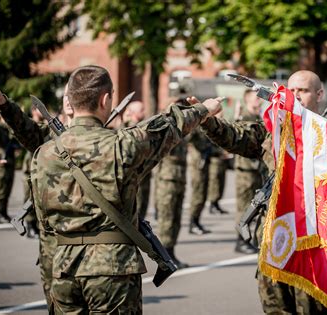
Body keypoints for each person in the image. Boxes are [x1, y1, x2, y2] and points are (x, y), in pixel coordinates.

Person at [29, 65, 222, 313]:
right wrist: (205, 109)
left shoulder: (43, 154)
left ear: (70, 102)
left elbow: (43, 222)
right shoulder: (121, 145)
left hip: (63, 269)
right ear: (106, 99)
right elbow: (168, 125)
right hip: (112, 270)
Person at [196, 70, 327, 314]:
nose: (296, 96)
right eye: (292, 91)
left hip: (315, 243)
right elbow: (236, 136)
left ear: (319, 94)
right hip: (274, 238)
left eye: (304, 91)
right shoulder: (274, 131)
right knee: (275, 308)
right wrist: (208, 121)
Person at [0, 80, 71, 310]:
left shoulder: (106, 139)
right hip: (54, 247)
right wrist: (4, 104)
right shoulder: (49, 137)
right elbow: (24, 127)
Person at [154, 98, 191, 269]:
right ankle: (164, 258)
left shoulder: (182, 129)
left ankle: (171, 253)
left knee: (176, 219)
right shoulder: (167, 126)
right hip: (167, 180)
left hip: (179, 179)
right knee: (166, 220)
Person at [234, 89, 267, 254]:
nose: (259, 100)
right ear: (247, 99)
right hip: (245, 170)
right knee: (244, 207)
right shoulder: (245, 117)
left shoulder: (257, 117)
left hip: (256, 169)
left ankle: (246, 239)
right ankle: (240, 241)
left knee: (254, 206)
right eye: (256, 98)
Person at [122, 101, 152, 220]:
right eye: (142, 110)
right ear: (133, 112)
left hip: (145, 177)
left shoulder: (143, 126)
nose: (144, 112)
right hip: (133, 178)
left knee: (143, 210)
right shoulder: (127, 127)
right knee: (135, 211)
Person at [22, 105, 44, 238]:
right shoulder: (31, 126)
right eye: (39, 109)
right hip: (30, 167)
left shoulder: (43, 125)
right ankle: (29, 226)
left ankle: (34, 226)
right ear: (34, 111)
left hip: (38, 167)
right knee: (29, 198)